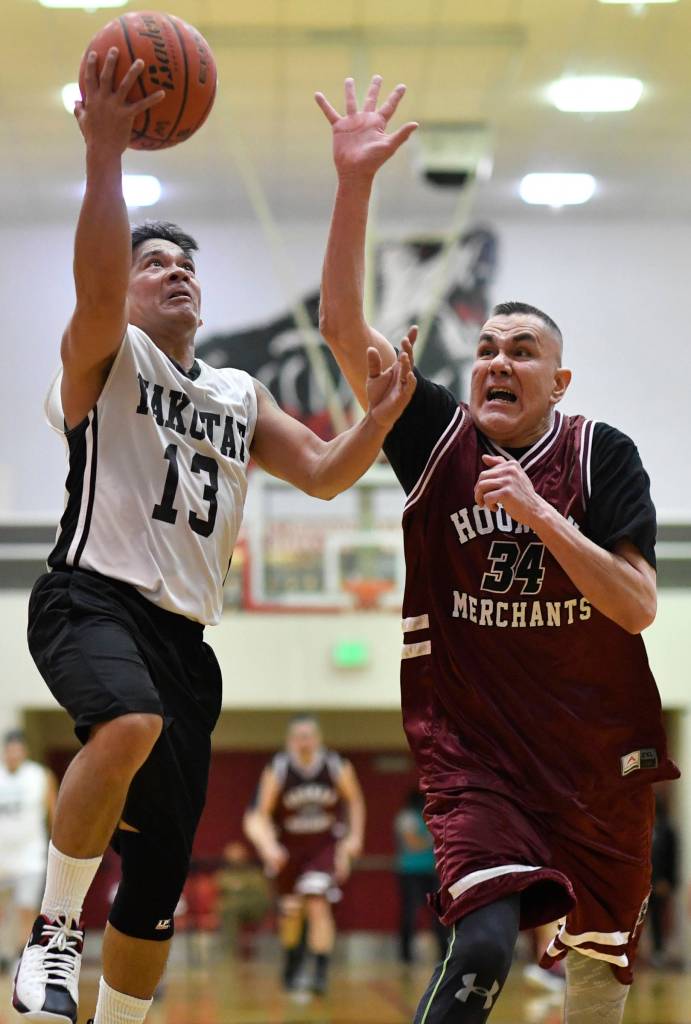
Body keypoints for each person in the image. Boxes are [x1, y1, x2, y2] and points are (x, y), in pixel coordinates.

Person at [14, 50, 416, 1024]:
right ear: (130, 287)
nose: (174, 271)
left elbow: (322, 474)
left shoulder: (236, 392)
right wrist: (105, 155)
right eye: (155, 263)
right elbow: (98, 284)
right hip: (89, 594)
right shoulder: (107, 357)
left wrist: (379, 415)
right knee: (127, 721)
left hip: (187, 645)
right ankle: (52, 937)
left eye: (185, 262)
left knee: (155, 883)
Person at [315, 74, 679, 1024]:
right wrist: (354, 184)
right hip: (475, 752)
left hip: (596, 753)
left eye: (519, 351)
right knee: (481, 940)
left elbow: (637, 608)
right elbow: (341, 330)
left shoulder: (603, 456)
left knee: (597, 979)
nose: (495, 363)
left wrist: (540, 516)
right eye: (484, 349)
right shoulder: (436, 436)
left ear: (557, 380)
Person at [244, 714, 365, 995]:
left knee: (317, 904)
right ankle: (291, 962)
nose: (304, 741)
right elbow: (260, 814)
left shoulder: (336, 765)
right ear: (290, 741)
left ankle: (320, 973)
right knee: (290, 911)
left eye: (308, 735)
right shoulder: (279, 767)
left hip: (323, 847)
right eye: (298, 736)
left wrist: (354, 837)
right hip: (288, 848)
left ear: (318, 738)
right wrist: (268, 846)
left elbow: (355, 800)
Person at [0, 731, 56, 971]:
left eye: (17, 749)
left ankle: (22, 958)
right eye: (9, 749)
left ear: (24, 750)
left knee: (26, 907)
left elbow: (54, 814)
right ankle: (5, 953)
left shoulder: (40, 776)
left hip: (30, 856)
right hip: (2, 856)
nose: (13, 753)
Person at [394, 790, 447, 964]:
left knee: (438, 913)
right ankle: (405, 955)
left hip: (432, 871)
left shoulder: (433, 816)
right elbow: (412, 843)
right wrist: (434, 839)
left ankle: (444, 952)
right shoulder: (406, 817)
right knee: (409, 913)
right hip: (409, 872)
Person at [216, 841, 271, 958]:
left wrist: (237, 889)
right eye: (231, 856)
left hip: (254, 909)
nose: (234, 859)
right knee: (228, 910)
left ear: (244, 856)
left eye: (237, 855)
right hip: (232, 911)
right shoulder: (224, 874)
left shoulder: (254, 873)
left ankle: (229, 951)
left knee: (229, 908)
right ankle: (229, 950)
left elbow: (261, 895)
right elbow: (220, 885)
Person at [648, 793, 678, 967]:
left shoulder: (668, 830)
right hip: (644, 885)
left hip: (660, 884)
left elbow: (672, 858)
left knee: (659, 920)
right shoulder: (643, 827)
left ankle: (658, 953)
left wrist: (669, 881)